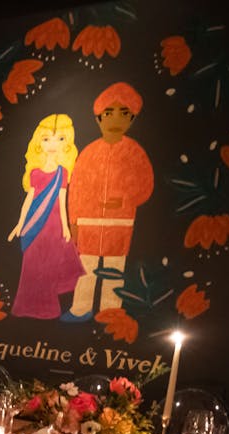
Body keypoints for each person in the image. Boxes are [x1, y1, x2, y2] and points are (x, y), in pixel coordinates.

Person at [63, 82, 154, 321]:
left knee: (114, 268)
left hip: (119, 223)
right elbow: (76, 189)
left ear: (132, 119)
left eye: (124, 113)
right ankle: (80, 309)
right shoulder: (89, 153)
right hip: (89, 224)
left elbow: (145, 186)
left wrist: (124, 200)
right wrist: (74, 223)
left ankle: (110, 311)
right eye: (109, 113)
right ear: (99, 118)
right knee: (86, 269)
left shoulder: (135, 153)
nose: (115, 119)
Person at [9, 113, 85, 319]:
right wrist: (20, 223)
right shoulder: (34, 172)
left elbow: (62, 201)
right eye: (46, 138)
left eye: (59, 138)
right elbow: (29, 200)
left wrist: (66, 227)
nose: (52, 144)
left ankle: (48, 307)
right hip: (34, 226)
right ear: (38, 142)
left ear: (67, 143)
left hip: (54, 228)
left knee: (49, 265)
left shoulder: (63, 173)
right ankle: (26, 306)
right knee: (32, 265)